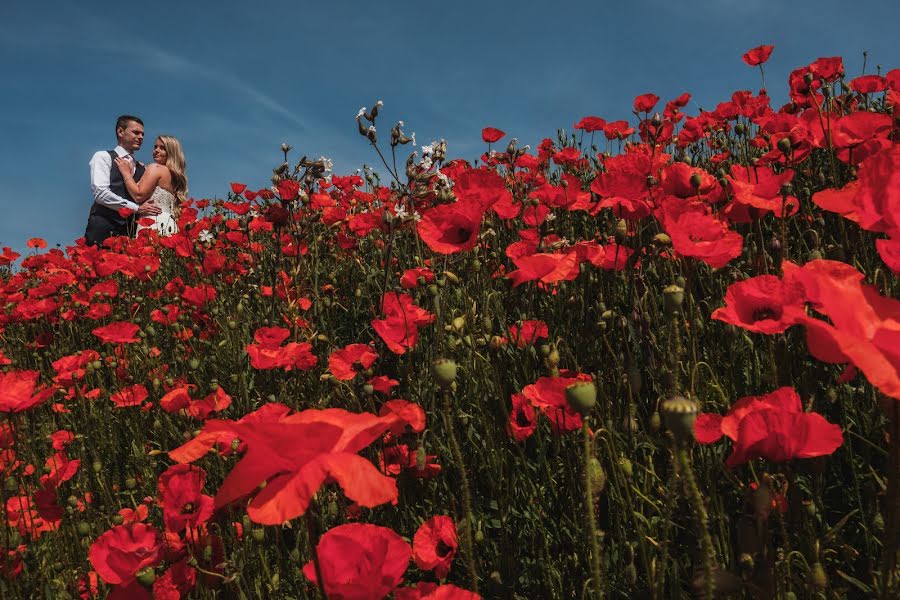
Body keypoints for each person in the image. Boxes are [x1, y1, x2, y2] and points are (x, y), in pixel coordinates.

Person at [85, 115, 161, 246]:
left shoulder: (143, 168)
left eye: (143, 134)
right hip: (102, 230)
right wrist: (136, 208)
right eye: (136, 132)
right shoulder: (103, 157)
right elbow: (101, 194)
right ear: (120, 132)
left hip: (129, 235)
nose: (141, 137)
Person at [114, 134, 187, 236]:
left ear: (171, 152)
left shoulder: (155, 168)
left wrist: (126, 173)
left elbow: (139, 196)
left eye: (162, 148)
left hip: (153, 223)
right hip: (169, 224)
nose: (156, 150)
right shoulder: (174, 176)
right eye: (155, 147)